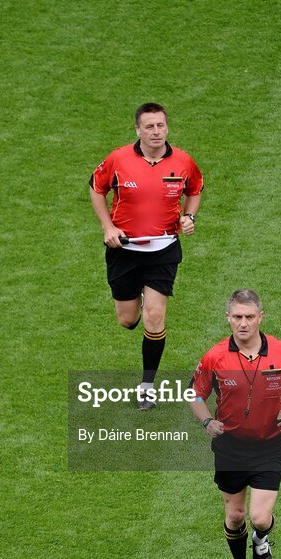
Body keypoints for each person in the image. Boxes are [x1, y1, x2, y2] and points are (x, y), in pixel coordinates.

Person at [189, 289, 281, 559]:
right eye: (237, 317)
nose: (243, 323)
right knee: (236, 515)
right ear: (228, 318)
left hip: (268, 446)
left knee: (259, 517)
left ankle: (261, 541)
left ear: (260, 318)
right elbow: (195, 394)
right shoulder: (215, 356)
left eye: (250, 317)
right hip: (230, 448)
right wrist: (206, 420)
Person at [90, 102, 204, 410]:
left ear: (167, 128)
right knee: (128, 320)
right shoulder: (117, 159)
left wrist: (189, 218)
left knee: (155, 317)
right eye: (149, 126)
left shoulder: (183, 162)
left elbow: (195, 189)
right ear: (138, 130)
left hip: (164, 250)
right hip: (123, 250)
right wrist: (108, 227)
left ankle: (146, 386)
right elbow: (96, 187)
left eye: (160, 126)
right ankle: (137, 300)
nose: (156, 132)